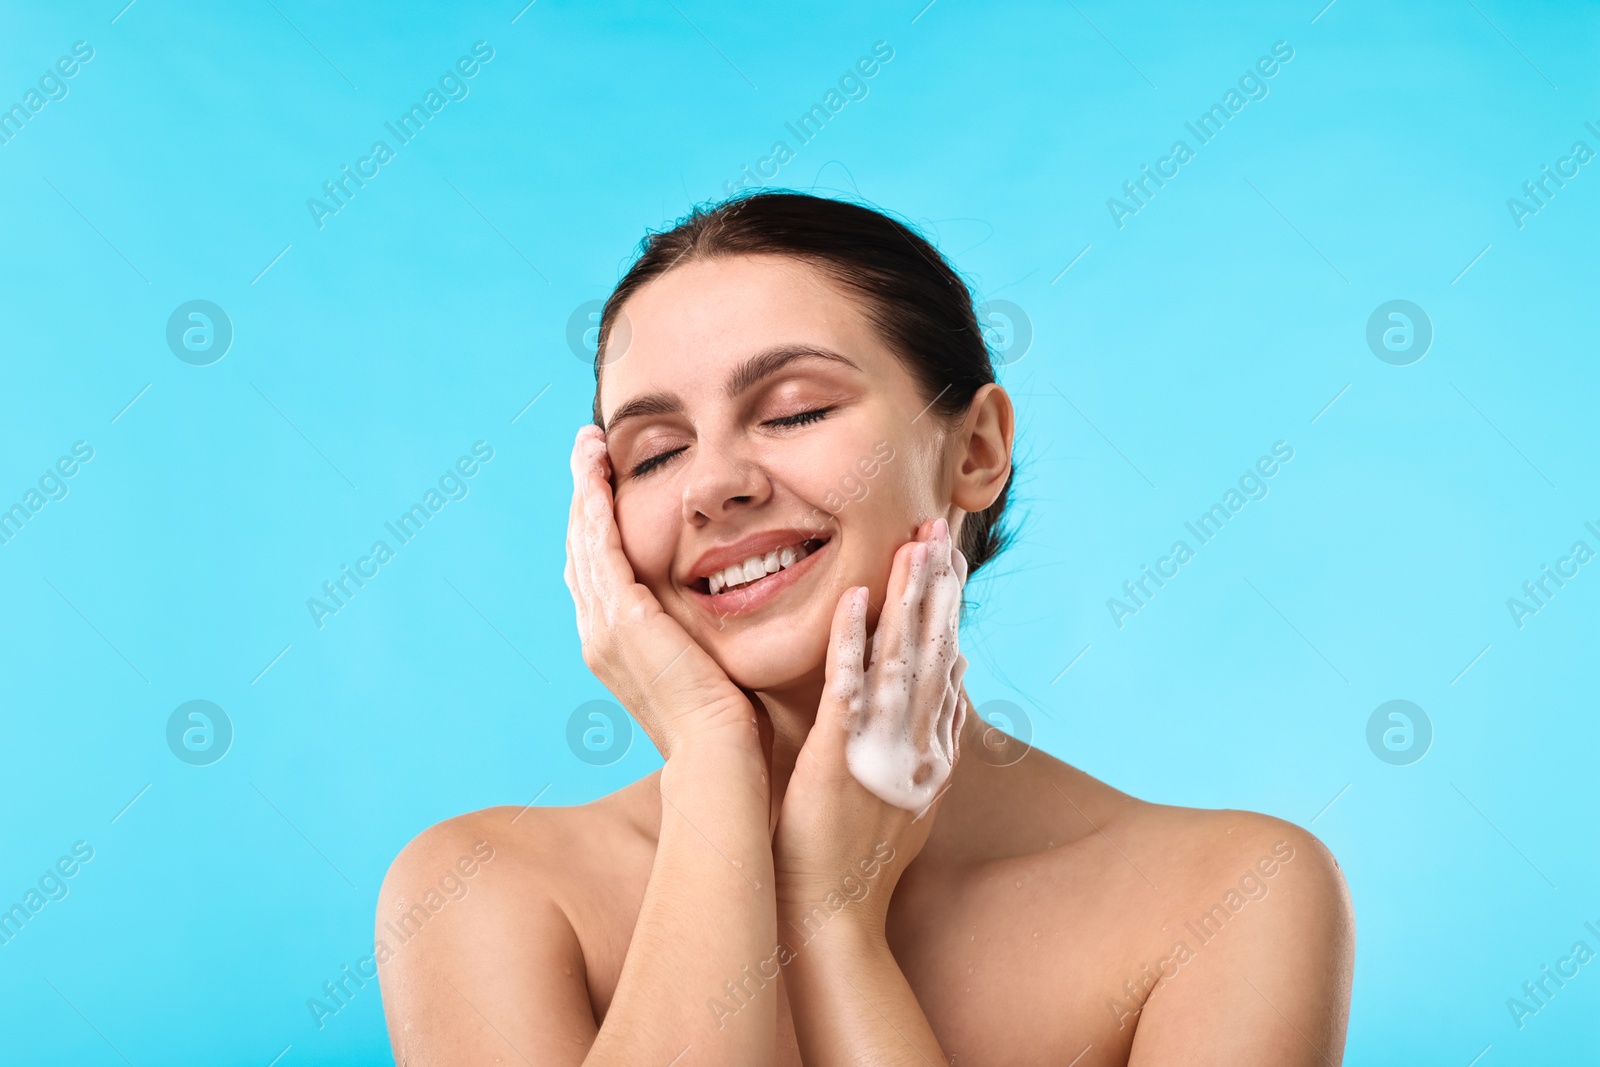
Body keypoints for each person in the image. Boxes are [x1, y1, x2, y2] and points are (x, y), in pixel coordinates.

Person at [376, 191, 1355, 1065]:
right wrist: (716, 767)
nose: (714, 485)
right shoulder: (483, 892)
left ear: (974, 449)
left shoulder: (1233, 898)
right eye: (655, 451)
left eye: (794, 410)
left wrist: (834, 916)